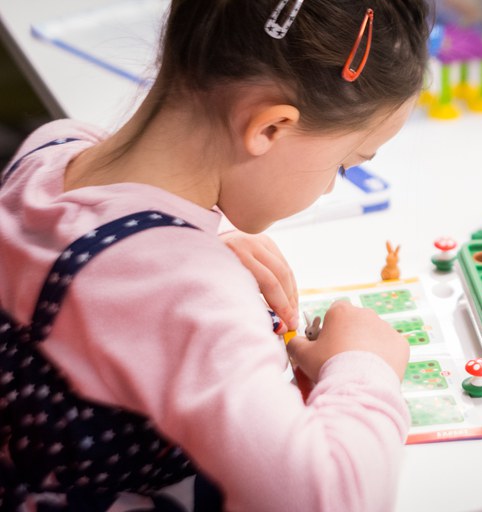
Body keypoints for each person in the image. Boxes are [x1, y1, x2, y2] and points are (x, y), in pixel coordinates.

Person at [0, 0, 431, 510]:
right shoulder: (186, 294)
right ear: (269, 129)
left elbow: (102, 276)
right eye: (343, 164)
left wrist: (192, 248)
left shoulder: (51, 149)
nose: (331, 187)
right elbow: (328, 499)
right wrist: (366, 368)